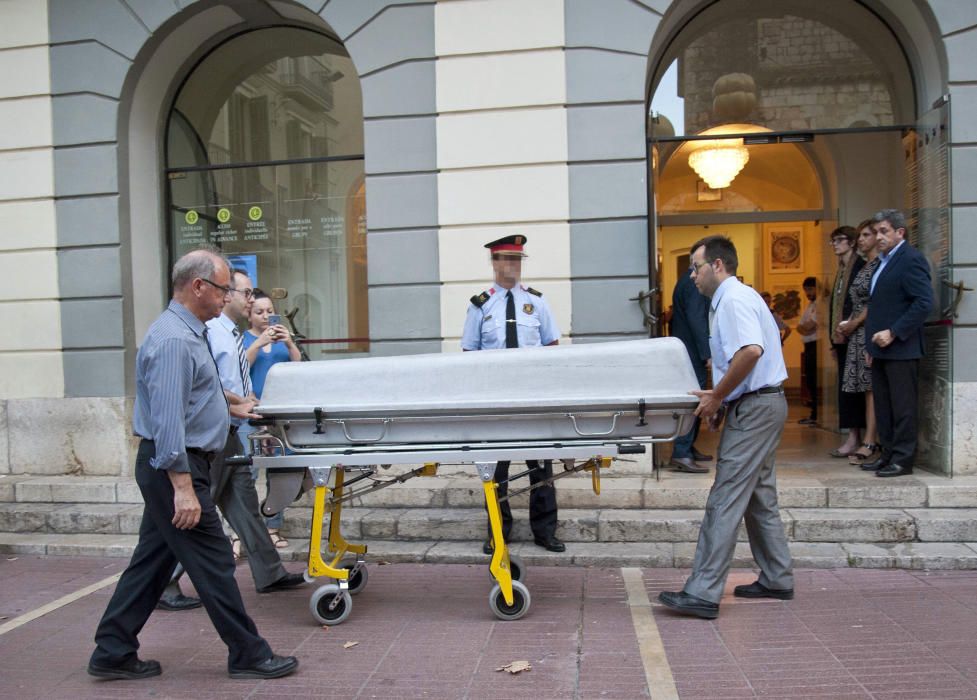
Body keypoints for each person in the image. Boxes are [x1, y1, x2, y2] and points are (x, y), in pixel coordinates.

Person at [88, 248, 297, 681]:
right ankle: (248, 653)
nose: (230, 298)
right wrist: (183, 486)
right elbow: (167, 421)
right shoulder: (174, 340)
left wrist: (232, 407)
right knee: (215, 559)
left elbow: (195, 394)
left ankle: (112, 650)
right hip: (176, 467)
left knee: (151, 563)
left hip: (180, 464)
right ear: (199, 286)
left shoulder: (190, 331)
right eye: (224, 289)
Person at [658, 235, 793, 620]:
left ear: (718, 265)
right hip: (760, 403)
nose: (692, 276)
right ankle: (777, 576)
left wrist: (717, 396)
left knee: (726, 495)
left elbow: (751, 352)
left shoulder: (732, 300)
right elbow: (744, 355)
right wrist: (722, 397)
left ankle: (702, 591)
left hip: (757, 407)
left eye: (695, 268)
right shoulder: (734, 299)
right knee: (759, 495)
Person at [461, 234, 564, 554]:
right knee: (496, 470)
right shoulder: (480, 305)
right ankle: (497, 531)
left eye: (517, 259)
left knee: (541, 469)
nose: (512, 265)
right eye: (506, 259)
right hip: (497, 401)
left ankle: (545, 531)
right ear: (494, 262)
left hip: (532, 398)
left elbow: (551, 346)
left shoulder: (537, 302)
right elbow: (470, 353)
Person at [861, 209, 933, 477]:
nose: (879, 237)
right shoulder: (882, 262)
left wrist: (893, 332)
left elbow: (924, 302)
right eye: (876, 232)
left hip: (901, 348)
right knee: (884, 406)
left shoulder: (911, 259)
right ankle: (887, 455)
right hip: (880, 349)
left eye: (884, 232)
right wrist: (871, 347)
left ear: (899, 233)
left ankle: (903, 460)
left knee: (902, 407)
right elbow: (880, 306)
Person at [243, 289, 303, 546]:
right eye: (260, 312)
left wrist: (289, 342)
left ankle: (273, 528)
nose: (266, 316)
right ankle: (242, 531)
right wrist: (259, 342)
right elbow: (240, 365)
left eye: (269, 311)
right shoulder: (243, 339)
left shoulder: (281, 339)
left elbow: (298, 366)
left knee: (278, 475)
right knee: (248, 474)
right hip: (251, 414)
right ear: (249, 315)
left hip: (279, 415)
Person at [837, 221, 881, 464]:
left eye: (867, 235)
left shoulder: (877, 266)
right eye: (860, 235)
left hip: (867, 332)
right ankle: (868, 438)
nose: (861, 239)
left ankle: (870, 440)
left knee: (870, 389)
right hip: (857, 332)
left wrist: (854, 323)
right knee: (863, 388)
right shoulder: (867, 266)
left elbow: (873, 302)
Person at [667, 253, 713, 473]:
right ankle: (682, 452)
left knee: (696, 401)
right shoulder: (692, 282)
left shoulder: (684, 280)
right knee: (695, 402)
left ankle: (688, 447)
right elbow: (696, 318)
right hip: (692, 352)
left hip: (688, 349)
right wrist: (707, 354)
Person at [828, 226, 866, 457]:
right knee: (846, 388)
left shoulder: (860, 267)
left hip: (856, 335)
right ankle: (853, 436)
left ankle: (858, 438)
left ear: (851, 242)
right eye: (832, 241)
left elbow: (861, 302)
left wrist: (851, 325)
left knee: (855, 389)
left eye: (839, 240)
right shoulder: (841, 270)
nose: (835, 244)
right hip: (842, 339)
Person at [797, 277, 818, 425]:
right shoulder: (810, 306)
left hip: (816, 345)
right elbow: (799, 327)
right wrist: (805, 328)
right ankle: (813, 413)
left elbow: (810, 326)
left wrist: (805, 328)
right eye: (806, 290)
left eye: (810, 289)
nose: (808, 293)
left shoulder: (819, 304)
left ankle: (816, 414)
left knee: (815, 380)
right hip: (808, 346)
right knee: (810, 380)